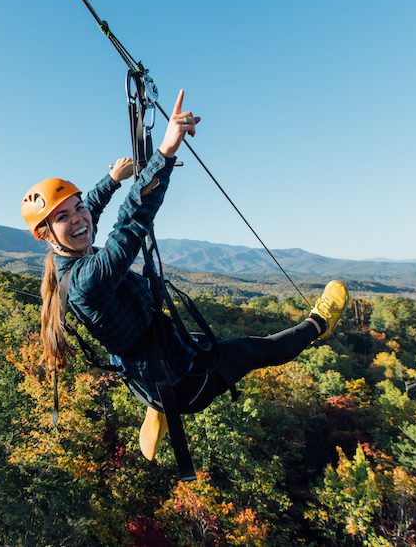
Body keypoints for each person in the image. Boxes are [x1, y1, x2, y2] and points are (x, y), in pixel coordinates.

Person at [21, 89, 348, 464]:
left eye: (77, 208)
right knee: (262, 349)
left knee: (203, 344)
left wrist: (110, 181)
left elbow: (87, 211)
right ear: (45, 234)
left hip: (154, 359)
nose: (78, 218)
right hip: (182, 380)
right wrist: (165, 152)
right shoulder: (85, 280)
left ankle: (155, 408)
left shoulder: (66, 258)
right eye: (62, 217)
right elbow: (131, 224)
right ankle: (319, 324)